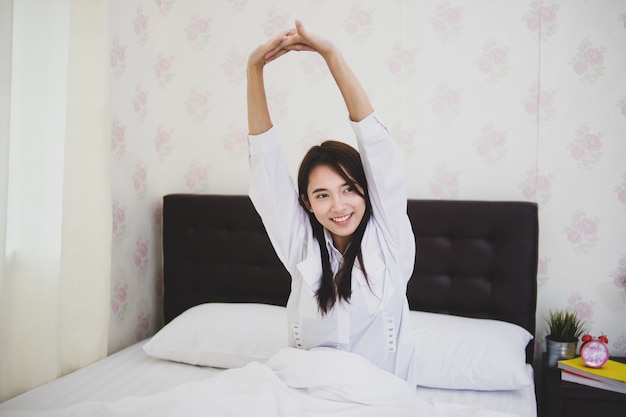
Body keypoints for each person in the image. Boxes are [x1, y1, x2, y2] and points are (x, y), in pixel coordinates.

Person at [247, 20, 416, 382]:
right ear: (306, 203)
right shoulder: (301, 247)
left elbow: (378, 148)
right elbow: (266, 174)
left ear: (367, 193)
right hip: (304, 398)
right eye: (322, 195)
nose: (338, 206)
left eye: (349, 189)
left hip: (379, 404)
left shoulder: (390, 241)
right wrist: (254, 69)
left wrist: (331, 55)